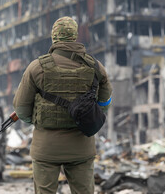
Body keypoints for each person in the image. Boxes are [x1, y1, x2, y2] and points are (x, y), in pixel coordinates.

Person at [13, 16, 112, 194]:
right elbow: (104, 104)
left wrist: (36, 120)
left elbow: (20, 108)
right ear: (74, 36)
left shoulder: (36, 67)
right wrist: (86, 119)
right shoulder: (96, 67)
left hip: (46, 148)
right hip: (81, 146)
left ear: (54, 37)